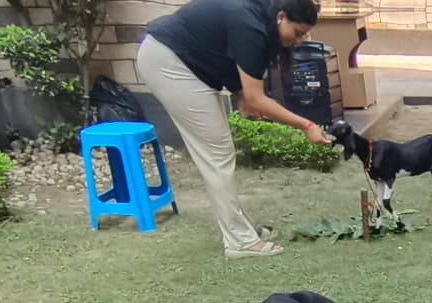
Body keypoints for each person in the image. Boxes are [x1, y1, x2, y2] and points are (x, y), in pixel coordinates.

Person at [137, 0, 332, 259]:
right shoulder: (250, 24)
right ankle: (240, 241)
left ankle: (242, 230)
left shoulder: (260, 17)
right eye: (297, 33)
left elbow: (227, 54)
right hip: (169, 62)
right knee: (216, 154)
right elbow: (256, 98)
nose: (297, 41)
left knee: (218, 152)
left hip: (187, 64)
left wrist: (240, 94)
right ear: (281, 16)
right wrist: (306, 125)